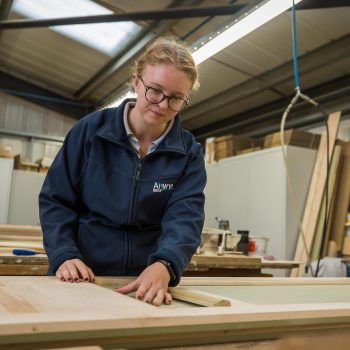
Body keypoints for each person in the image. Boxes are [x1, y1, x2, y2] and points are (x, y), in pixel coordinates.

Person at [39, 37, 206, 306]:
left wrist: (165, 264)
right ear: (136, 81)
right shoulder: (90, 132)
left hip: (145, 282)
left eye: (176, 98)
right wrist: (64, 254)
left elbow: (185, 218)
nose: (162, 104)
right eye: (154, 90)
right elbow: (56, 200)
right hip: (81, 275)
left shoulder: (189, 153)